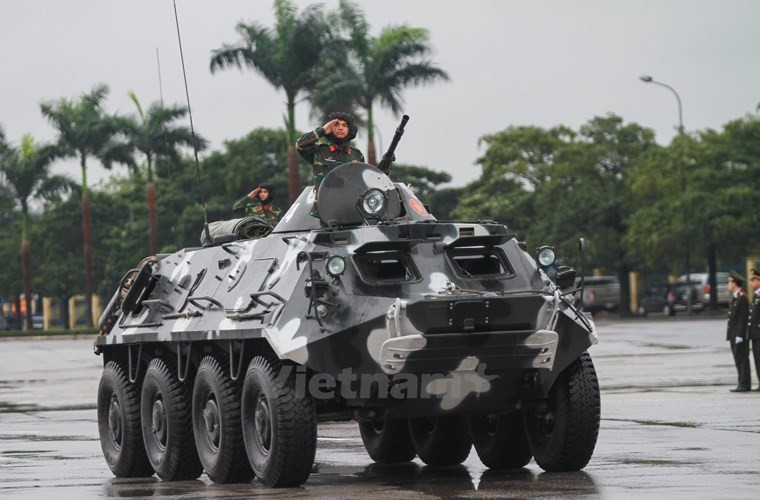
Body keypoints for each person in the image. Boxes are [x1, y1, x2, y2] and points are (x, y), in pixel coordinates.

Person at [296, 112, 365, 216]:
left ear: (350, 129)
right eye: (336, 125)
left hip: (351, 209)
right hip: (326, 209)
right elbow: (301, 145)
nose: (340, 128)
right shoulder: (319, 151)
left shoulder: (356, 155)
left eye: (344, 125)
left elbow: (361, 183)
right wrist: (322, 131)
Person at [727, 270, 750, 392]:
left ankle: (745, 383)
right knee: (738, 360)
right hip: (734, 334)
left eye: (729, 282)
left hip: (739, 335)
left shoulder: (742, 298)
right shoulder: (735, 298)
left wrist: (740, 335)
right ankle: (741, 382)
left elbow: (743, 318)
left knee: (742, 359)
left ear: (734, 283)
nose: (728, 284)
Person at [747, 268, 760, 391]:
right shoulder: (756, 295)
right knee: (757, 359)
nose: (751, 283)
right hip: (755, 334)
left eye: (753, 280)